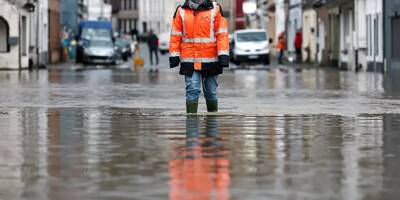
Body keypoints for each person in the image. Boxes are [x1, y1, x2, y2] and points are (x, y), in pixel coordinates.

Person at [169, 0, 230, 113]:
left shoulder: (215, 9)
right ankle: (191, 124)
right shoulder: (181, 10)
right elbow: (175, 35)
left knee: (211, 92)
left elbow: (222, 34)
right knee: (192, 90)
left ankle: (212, 124)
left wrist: (223, 55)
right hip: (189, 60)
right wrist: (174, 55)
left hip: (211, 60)